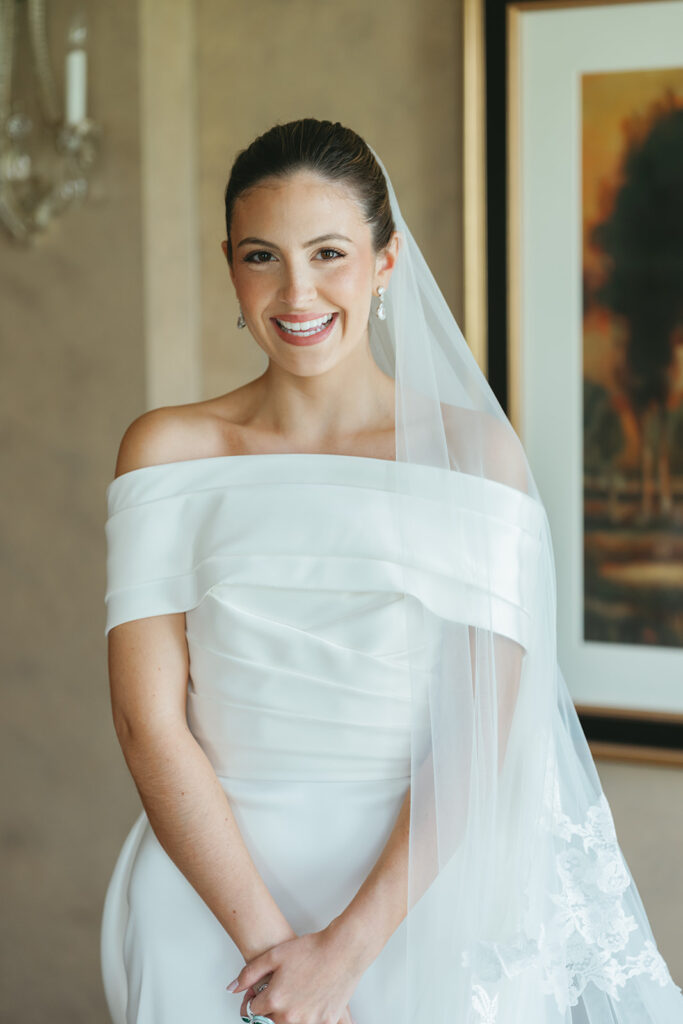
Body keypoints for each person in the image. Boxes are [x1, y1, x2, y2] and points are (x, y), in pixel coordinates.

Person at [101, 118, 683, 1024]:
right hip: (207, 901)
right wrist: (270, 954)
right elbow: (147, 725)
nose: (296, 291)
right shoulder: (166, 450)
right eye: (262, 256)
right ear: (230, 266)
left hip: (426, 896)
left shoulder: (473, 457)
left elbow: (480, 727)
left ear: (385, 260)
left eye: (329, 252)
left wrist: (343, 954)